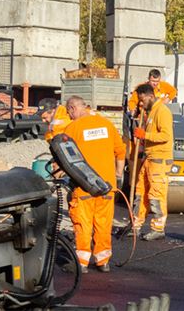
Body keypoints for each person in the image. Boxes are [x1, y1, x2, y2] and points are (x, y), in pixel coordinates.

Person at [62, 96, 125, 273]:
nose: (69, 116)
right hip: (106, 185)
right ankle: (103, 261)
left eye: (69, 112)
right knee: (103, 224)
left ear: (73, 108)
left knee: (83, 224)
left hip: (84, 187)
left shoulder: (73, 128)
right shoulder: (106, 124)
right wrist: (118, 174)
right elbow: (120, 151)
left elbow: (64, 156)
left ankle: (82, 262)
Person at [130, 83, 173, 241]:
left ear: (150, 96)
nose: (141, 103)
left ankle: (158, 228)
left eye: (142, 100)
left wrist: (145, 135)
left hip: (160, 159)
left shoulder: (162, 111)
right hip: (149, 158)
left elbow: (166, 136)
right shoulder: (150, 112)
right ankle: (136, 224)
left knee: (156, 194)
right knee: (140, 192)